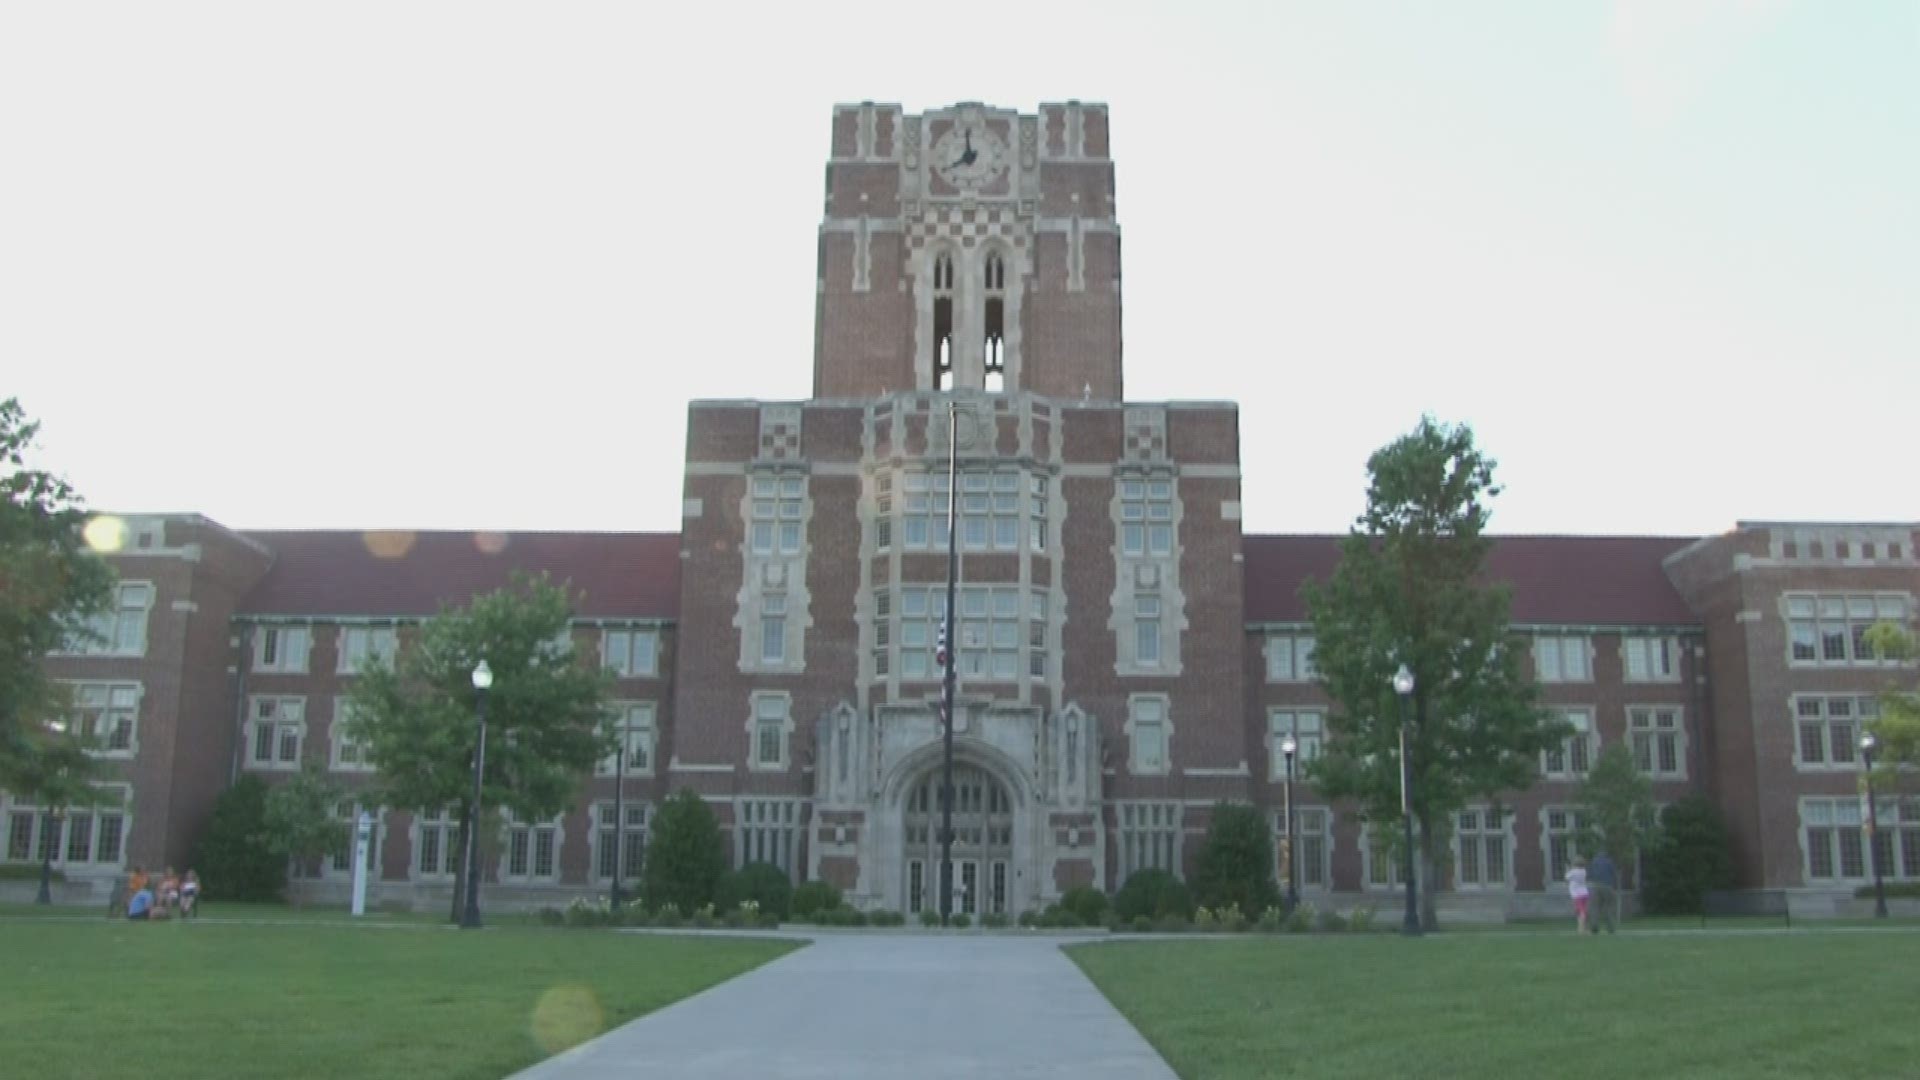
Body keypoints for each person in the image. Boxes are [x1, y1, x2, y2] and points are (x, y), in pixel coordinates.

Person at [1589, 851, 1619, 934]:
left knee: (1595, 907)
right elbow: (1614, 874)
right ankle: (1610, 928)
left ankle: (1594, 926)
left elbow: (1590, 874)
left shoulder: (1593, 862)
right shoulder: (1609, 862)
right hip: (1607, 886)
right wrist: (1614, 886)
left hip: (1596, 886)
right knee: (1609, 907)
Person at [1565, 856, 1589, 935]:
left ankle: (1581, 929)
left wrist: (1568, 868)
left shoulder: (1573, 871)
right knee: (1581, 912)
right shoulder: (1583, 871)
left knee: (1581, 912)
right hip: (1584, 893)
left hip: (1577, 894)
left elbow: (1566, 877)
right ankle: (1583, 929)